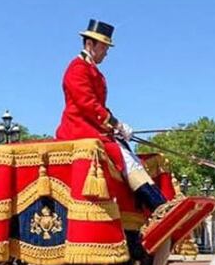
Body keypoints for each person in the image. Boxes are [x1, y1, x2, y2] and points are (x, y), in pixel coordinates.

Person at [55, 19, 169, 212]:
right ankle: (157, 206)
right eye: (104, 47)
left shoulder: (91, 69)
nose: (106, 52)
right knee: (124, 158)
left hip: (93, 126)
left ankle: (155, 205)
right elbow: (88, 105)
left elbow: (99, 107)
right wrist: (116, 124)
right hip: (79, 128)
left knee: (129, 155)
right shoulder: (77, 69)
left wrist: (115, 127)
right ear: (90, 44)